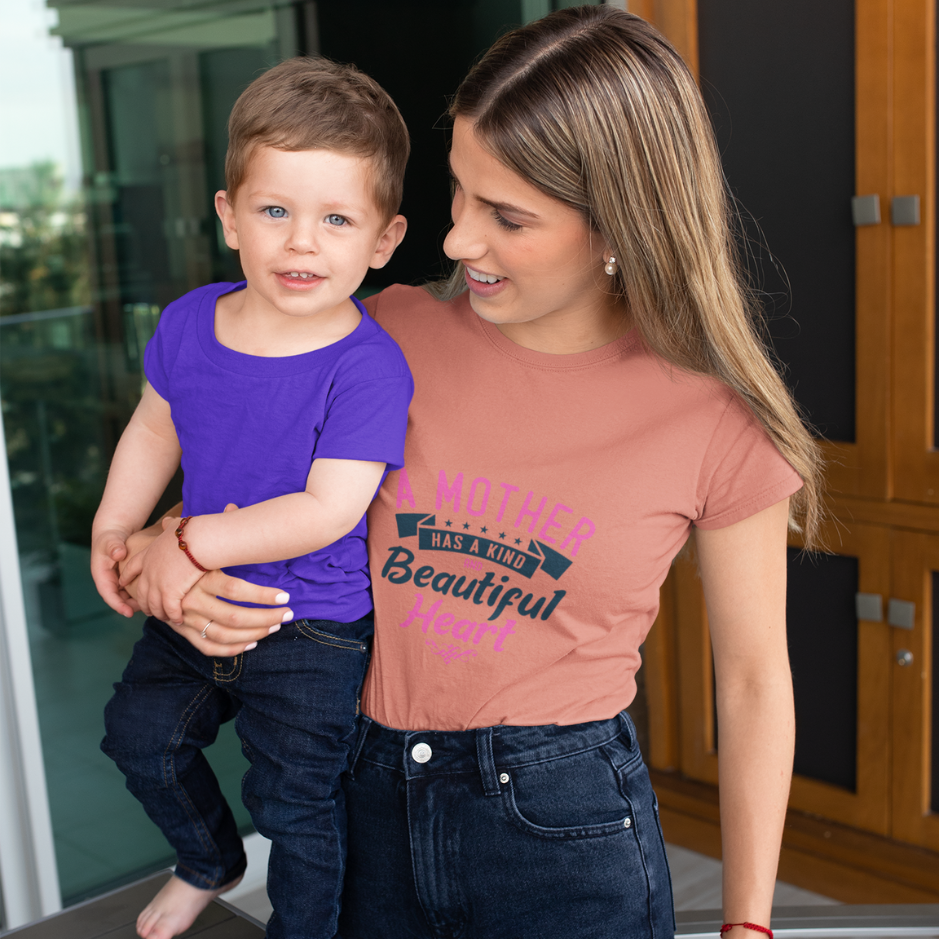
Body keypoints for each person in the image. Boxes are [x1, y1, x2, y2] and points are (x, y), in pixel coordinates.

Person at [112, 7, 821, 938]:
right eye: (458, 193)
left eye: (507, 216)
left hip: (560, 827)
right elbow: (236, 478)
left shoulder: (716, 421)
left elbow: (755, 682)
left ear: (621, 226)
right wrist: (172, 559)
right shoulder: (377, 337)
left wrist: (747, 924)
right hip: (358, 798)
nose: (454, 242)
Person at [89, 56, 412, 939]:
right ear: (230, 216)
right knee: (139, 737)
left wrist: (185, 545)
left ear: (382, 241)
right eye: (275, 210)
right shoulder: (191, 320)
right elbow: (157, 428)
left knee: (298, 806)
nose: (301, 242)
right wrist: (117, 525)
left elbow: (328, 508)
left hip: (309, 624)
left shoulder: (368, 366)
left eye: (336, 219)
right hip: (190, 609)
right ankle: (208, 860)